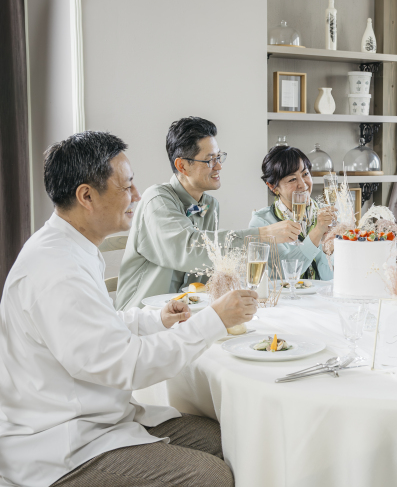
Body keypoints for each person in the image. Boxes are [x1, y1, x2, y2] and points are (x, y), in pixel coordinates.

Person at [0, 132, 258, 487]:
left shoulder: (71, 246)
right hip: (62, 443)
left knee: (232, 439)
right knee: (211, 476)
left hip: (98, 418)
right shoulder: (56, 269)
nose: (137, 196)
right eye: (127, 186)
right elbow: (126, 365)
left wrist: (156, 319)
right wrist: (214, 319)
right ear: (86, 196)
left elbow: (98, 324)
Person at [116, 117, 301, 310]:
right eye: (209, 160)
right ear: (182, 166)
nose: (219, 166)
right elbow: (190, 250)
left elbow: (206, 268)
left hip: (187, 313)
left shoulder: (210, 205)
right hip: (143, 318)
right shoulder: (157, 199)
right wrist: (262, 235)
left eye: (219, 157)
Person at [250, 145, 335, 280]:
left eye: (305, 174)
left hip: (322, 298)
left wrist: (329, 249)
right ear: (273, 186)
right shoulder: (262, 223)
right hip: (285, 300)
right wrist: (318, 231)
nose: (303, 184)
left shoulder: (328, 216)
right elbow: (285, 275)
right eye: (292, 179)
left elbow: (330, 278)